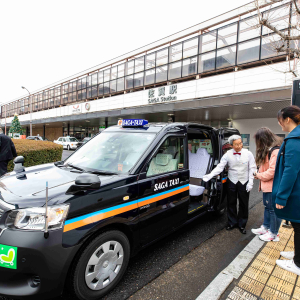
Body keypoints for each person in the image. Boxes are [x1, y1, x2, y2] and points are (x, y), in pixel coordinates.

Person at [203, 135, 256, 234]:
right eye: (236, 144)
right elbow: (220, 167)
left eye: (240, 143)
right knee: (231, 202)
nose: (239, 146)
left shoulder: (248, 153)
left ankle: (242, 224)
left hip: (244, 181)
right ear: (231, 145)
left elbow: (252, 168)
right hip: (232, 180)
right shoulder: (227, 154)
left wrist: (251, 182)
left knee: (243, 204)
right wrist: (210, 175)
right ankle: (232, 222)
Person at [273, 106, 300, 276]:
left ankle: (298, 263)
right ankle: (298, 254)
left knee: (299, 227)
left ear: (287, 119)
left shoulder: (294, 140)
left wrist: (281, 197)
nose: (280, 124)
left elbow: (290, 171)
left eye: (280, 120)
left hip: (296, 192)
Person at [251, 128, 282, 242]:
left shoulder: (275, 151)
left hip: (273, 186)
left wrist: (258, 175)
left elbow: (272, 172)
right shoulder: (270, 150)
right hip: (267, 186)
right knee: (268, 208)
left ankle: (273, 233)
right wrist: (258, 173)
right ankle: (266, 227)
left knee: (273, 210)